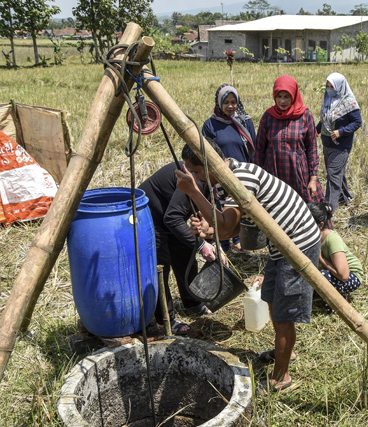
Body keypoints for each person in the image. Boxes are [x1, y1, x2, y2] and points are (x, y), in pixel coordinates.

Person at [175, 139, 320, 392]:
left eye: (197, 172)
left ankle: (281, 378)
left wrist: (193, 193)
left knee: (285, 312)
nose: (196, 178)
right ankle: (285, 352)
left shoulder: (238, 177)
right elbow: (230, 225)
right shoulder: (223, 180)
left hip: (297, 242)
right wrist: (209, 230)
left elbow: (228, 227)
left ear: (211, 165)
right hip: (280, 243)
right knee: (273, 298)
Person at [138, 162, 218, 335]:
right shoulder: (198, 178)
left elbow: (200, 212)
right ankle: (165, 320)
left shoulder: (212, 183)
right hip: (151, 216)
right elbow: (172, 217)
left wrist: (209, 239)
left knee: (185, 252)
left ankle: (192, 302)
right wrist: (202, 245)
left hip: (171, 215)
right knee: (161, 267)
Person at [203, 83, 257, 252]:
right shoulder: (210, 125)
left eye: (233, 102)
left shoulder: (244, 121)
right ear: (219, 103)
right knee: (222, 209)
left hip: (242, 172)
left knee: (240, 208)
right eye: (226, 102)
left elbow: (253, 146)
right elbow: (206, 150)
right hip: (220, 174)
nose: (230, 106)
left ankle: (238, 241)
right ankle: (223, 245)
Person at [253, 74, 324, 203]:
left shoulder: (305, 116)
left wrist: (313, 179)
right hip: (274, 175)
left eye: (286, 97)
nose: (282, 101)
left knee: (304, 211)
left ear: (294, 95)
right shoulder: (268, 117)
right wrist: (258, 178)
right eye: (279, 96)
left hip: (298, 175)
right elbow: (259, 150)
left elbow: (312, 149)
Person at [315, 72, 362, 211]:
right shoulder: (327, 100)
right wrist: (315, 130)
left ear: (340, 87)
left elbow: (357, 122)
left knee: (333, 174)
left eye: (332, 87)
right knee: (336, 172)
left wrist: (341, 132)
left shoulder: (349, 102)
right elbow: (324, 120)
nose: (329, 89)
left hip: (341, 145)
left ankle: (328, 210)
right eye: (327, 86)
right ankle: (343, 197)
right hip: (327, 143)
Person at [308, 201, 363, 313]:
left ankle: (337, 306)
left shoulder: (332, 240)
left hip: (352, 275)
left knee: (323, 276)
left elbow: (344, 275)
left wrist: (322, 260)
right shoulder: (312, 238)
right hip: (332, 272)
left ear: (321, 225)